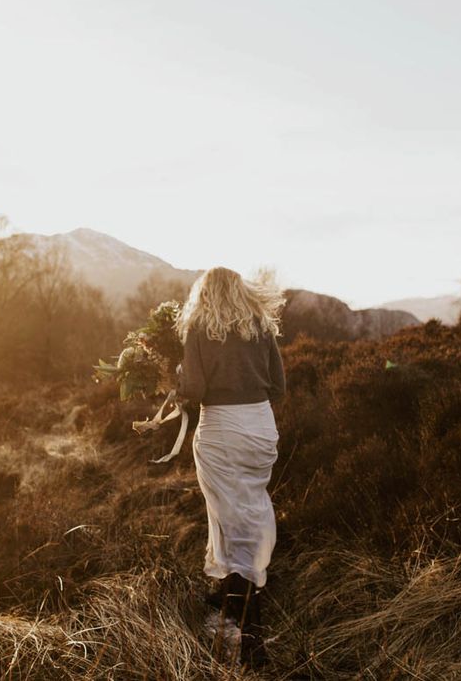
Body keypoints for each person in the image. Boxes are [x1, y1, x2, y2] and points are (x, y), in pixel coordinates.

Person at [175, 267, 285, 669]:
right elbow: (279, 387)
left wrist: (179, 381)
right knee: (249, 509)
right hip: (260, 428)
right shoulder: (260, 325)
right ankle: (235, 598)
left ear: (203, 295)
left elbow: (196, 391)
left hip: (221, 428)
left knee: (228, 515)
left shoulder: (199, 327)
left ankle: (247, 627)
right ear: (241, 292)